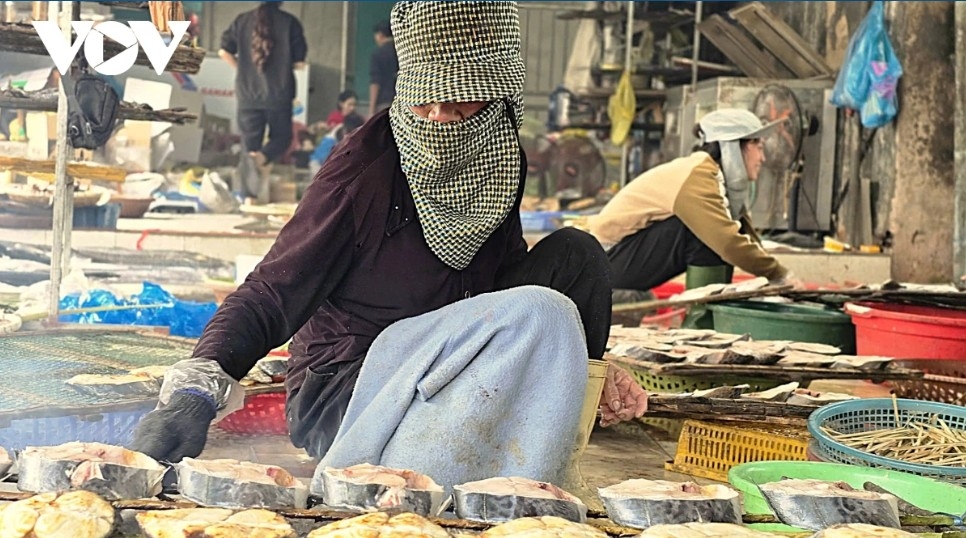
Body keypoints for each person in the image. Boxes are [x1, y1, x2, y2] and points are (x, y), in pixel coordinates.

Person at [131, 1, 646, 503]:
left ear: (499, 96)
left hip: (449, 362)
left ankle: (556, 441)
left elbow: (500, 282)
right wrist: (195, 391)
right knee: (539, 313)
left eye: (462, 100)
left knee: (577, 256)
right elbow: (271, 291)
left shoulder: (499, 155)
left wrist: (581, 362)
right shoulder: (362, 172)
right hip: (354, 391)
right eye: (426, 100)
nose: (441, 118)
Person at [587, 108, 797, 326]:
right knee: (705, 234)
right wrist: (779, 274)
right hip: (604, 268)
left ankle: (710, 318)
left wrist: (780, 280)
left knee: (714, 230)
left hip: (619, 263)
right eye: (759, 147)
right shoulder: (697, 177)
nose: (763, 158)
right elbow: (726, 241)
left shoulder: (713, 179)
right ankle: (700, 324)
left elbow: (742, 233)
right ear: (733, 147)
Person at [218, 1, 307, 202]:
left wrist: (241, 69)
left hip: (248, 93)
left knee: (249, 145)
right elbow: (299, 63)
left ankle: (250, 197)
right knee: (282, 138)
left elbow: (224, 51)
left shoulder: (241, 21)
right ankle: (262, 159)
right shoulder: (290, 23)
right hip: (280, 94)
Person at [368, 19, 398, 117]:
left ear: (380, 35)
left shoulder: (378, 54)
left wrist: (371, 108)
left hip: (384, 103)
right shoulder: (403, 52)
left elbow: (375, 82)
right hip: (403, 101)